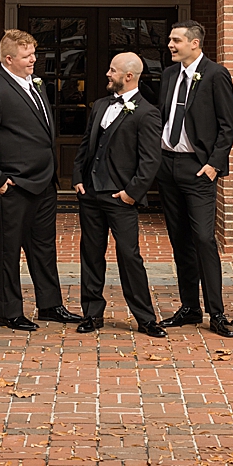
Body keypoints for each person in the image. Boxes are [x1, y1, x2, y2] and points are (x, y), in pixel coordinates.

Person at [0, 29, 80, 330]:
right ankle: (9, 311)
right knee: (8, 250)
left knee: (44, 247)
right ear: (8, 58)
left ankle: (50, 304)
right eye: (27, 56)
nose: (34, 60)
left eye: (34, 54)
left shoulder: (35, 86)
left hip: (43, 183)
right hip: (13, 186)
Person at [72, 52, 166, 337]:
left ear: (128, 76)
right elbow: (86, 144)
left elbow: (150, 160)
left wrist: (131, 193)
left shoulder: (147, 112)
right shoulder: (100, 105)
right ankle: (92, 314)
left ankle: (145, 317)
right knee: (90, 254)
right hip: (90, 193)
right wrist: (78, 178)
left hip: (120, 197)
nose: (107, 75)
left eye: (112, 71)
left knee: (129, 255)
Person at [154, 21, 233, 338]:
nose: (170, 45)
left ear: (195, 43)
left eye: (176, 40)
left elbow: (227, 125)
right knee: (180, 241)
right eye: (170, 40)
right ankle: (190, 308)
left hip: (198, 168)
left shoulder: (216, 75)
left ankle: (217, 312)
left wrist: (214, 165)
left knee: (203, 239)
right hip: (168, 166)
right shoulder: (169, 74)